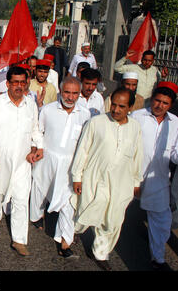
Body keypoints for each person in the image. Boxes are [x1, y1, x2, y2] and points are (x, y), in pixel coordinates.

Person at [71, 88, 143, 271]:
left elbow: (137, 155)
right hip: (95, 177)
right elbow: (83, 150)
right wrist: (77, 176)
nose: (116, 110)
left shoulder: (135, 127)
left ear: (130, 107)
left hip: (121, 182)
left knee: (113, 219)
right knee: (85, 210)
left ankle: (101, 253)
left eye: (122, 106)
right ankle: (72, 232)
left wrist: (136, 182)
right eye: (114, 105)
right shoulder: (96, 122)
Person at [0, 66, 43, 256]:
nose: (18, 86)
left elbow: (35, 130)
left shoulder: (30, 105)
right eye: (15, 82)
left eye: (22, 82)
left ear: (26, 84)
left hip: (23, 161)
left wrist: (39, 146)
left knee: (22, 198)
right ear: (7, 83)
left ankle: (19, 240)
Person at [30, 76, 90, 258]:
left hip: (70, 165)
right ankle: (36, 216)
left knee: (68, 201)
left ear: (79, 94)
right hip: (47, 158)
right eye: (67, 92)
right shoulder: (48, 110)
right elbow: (38, 131)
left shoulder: (85, 114)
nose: (70, 97)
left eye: (75, 93)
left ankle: (64, 241)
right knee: (41, 189)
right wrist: (39, 147)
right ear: (60, 92)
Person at [131, 82, 178, 271]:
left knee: (162, 220)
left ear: (171, 104)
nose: (159, 106)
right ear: (152, 98)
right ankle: (100, 249)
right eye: (157, 101)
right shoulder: (137, 116)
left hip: (158, 178)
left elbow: (174, 153)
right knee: (113, 213)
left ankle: (157, 258)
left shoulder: (175, 123)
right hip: (131, 174)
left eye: (165, 103)